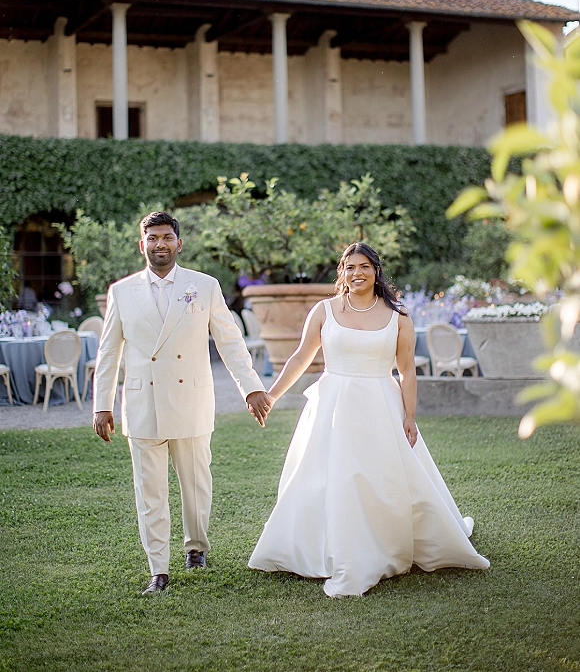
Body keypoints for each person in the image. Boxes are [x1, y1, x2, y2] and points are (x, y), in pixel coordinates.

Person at [249, 242, 489, 597]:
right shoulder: (324, 310)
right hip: (333, 407)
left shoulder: (397, 316)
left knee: (383, 477)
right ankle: (320, 547)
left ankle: (385, 542)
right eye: (350, 267)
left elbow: (407, 370)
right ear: (342, 273)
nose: (357, 273)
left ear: (376, 271)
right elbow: (300, 357)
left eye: (364, 266)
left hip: (381, 406)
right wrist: (271, 394)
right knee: (329, 477)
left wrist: (410, 416)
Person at [93, 211, 271, 595]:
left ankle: (196, 547)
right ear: (142, 245)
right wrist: (101, 404)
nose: (160, 244)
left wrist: (251, 388)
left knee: (195, 485)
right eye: (152, 238)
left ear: (179, 243)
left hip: (190, 398)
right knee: (149, 492)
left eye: (167, 237)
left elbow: (229, 341)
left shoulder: (204, 286)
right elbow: (108, 352)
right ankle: (158, 569)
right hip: (142, 402)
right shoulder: (121, 291)